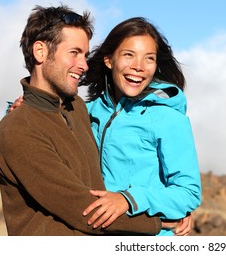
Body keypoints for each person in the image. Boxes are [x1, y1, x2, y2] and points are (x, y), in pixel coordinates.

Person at [0, 5, 168, 236]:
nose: (84, 65)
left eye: (85, 55)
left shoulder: (76, 108)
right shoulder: (18, 128)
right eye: (74, 53)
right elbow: (83, 210)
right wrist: (160, 222)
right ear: (40, 52)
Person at [80, 17, 202, 236]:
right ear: (109, 60)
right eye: (128, 55)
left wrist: (129, 199)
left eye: (149, 58)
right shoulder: (88, 111)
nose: (138, 66)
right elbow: (42, 120)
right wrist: (20, 105)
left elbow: (188, 193)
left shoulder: (168, 118)